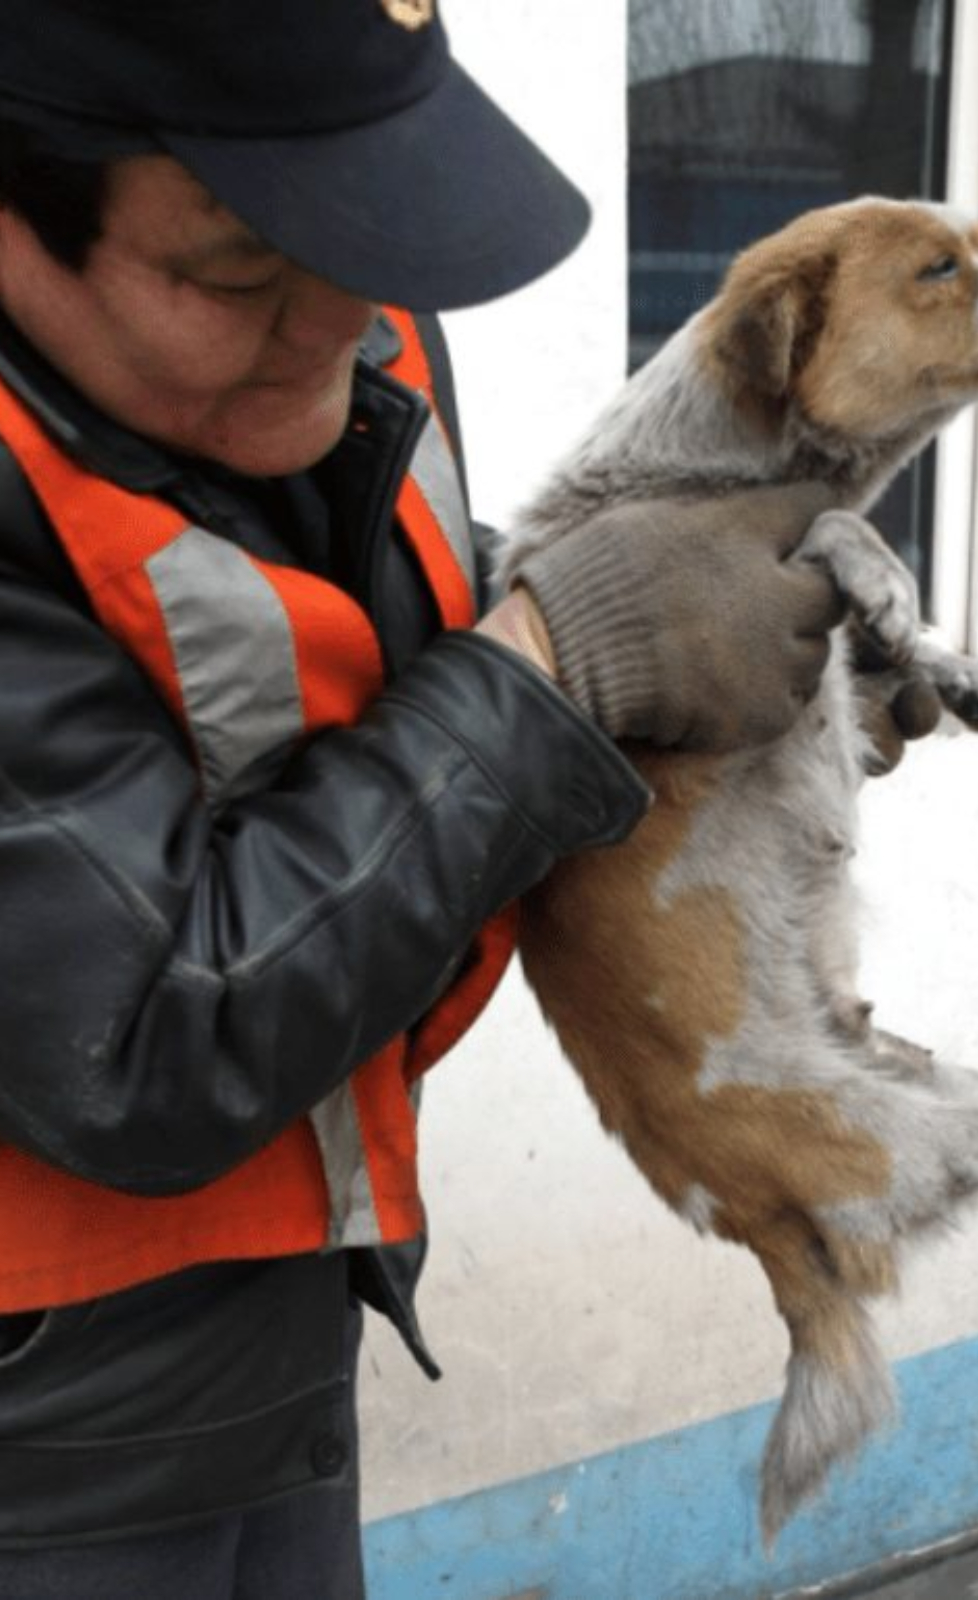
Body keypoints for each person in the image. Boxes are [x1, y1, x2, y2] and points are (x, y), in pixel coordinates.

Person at [0, 4, 867, 1595]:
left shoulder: (354, 317)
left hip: (277, 1347)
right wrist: (555, 661)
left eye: (369, 228)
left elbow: (370, 703)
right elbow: (133, 1040)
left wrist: (701, 681)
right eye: (240, 271)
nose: (344, 324)